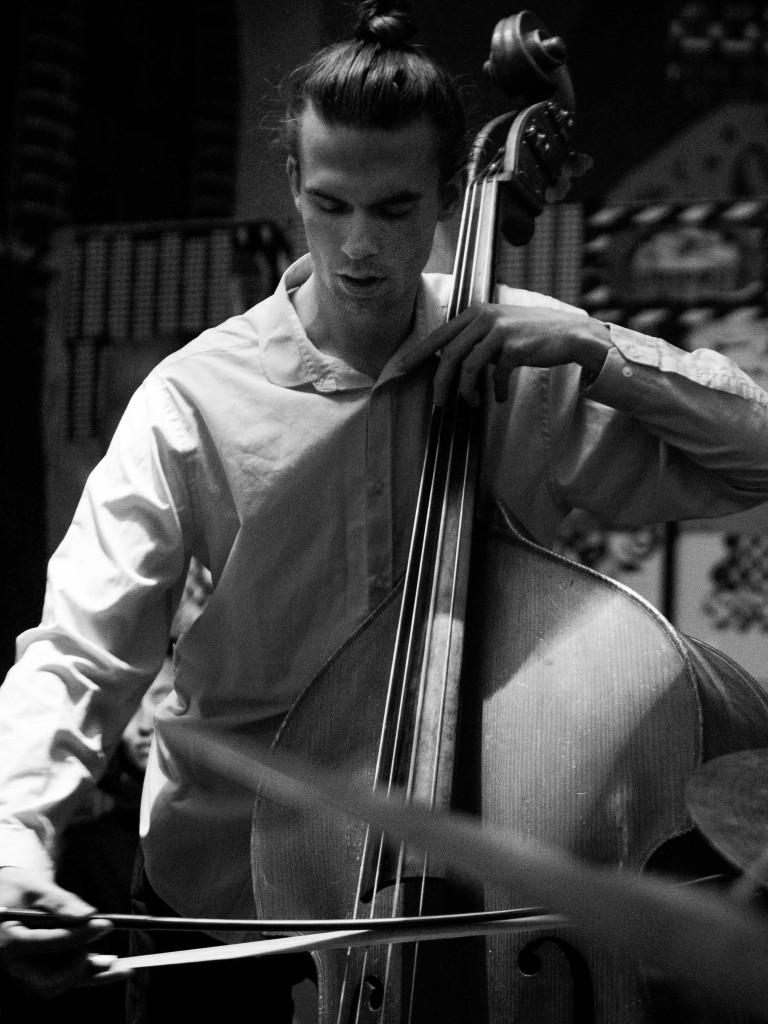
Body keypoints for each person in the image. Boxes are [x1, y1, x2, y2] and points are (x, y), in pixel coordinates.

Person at [2, 1, 768, 1020]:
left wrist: (596, 344)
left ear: (451, 196)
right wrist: (14, 834)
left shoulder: (518, 365)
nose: (359, 245)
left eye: (396, 209)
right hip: (230, 904)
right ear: (294, 188)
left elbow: (751, 462)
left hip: (478, 894)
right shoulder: (194, 398)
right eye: (331, 205)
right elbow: (79, 652)